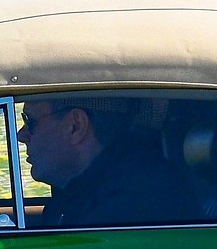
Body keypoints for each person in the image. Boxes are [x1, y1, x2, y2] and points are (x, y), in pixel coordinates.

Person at [15, 97, 200, 228]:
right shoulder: (84, 190)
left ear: (75, 126)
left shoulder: (136, 200)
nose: (20, 135)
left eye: (30, 121)